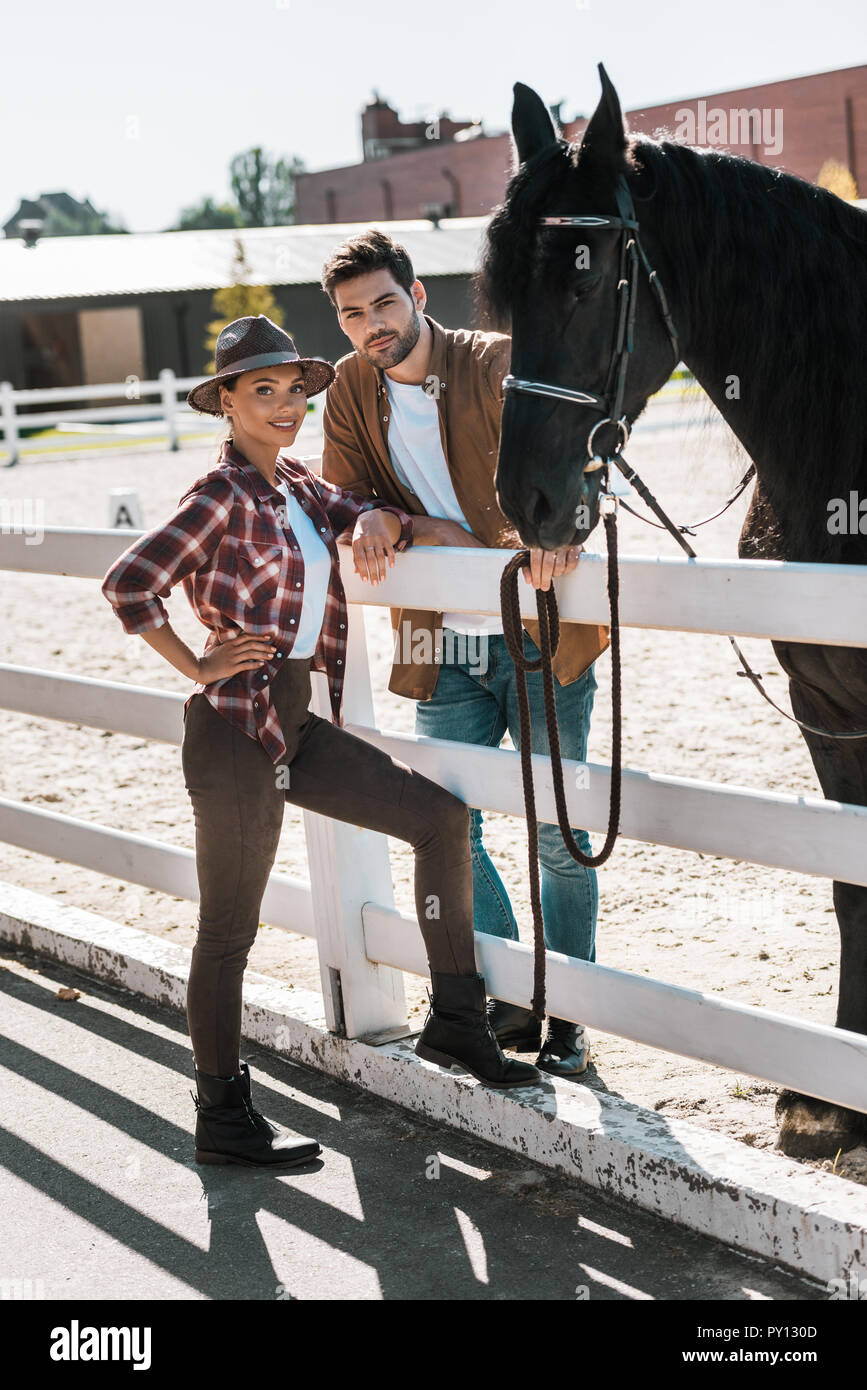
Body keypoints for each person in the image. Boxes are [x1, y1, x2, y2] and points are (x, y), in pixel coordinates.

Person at [101, 315, 540, 1170]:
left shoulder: (299, 486)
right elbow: (129, 583)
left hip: (295, 720)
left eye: (294, 390)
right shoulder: (218, 495)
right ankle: (222, 1114)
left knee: (440, 820)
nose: (285, 405)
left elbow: (373, 511)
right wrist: (195, 660)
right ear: (224, 403)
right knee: (229, 929)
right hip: (233, 728)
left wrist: (389, 521)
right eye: (261, 391)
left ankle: (455, 1020)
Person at [319, 231, 609, 1079]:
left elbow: (579, 463)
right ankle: (513, 992)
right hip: (430, 638)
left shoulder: (495, 364)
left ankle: (571, 1014)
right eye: (350, 315)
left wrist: (552, 532)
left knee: (559, 834)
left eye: (382, 302)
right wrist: (384, 518)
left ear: (416, 295)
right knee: (449, 825)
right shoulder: (348, 389)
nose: (371, 325)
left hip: (538, 634)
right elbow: (341, 495)